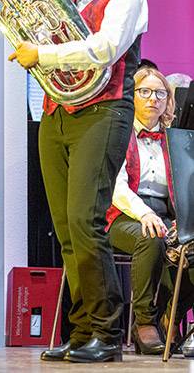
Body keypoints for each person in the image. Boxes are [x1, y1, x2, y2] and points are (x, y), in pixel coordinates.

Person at [11, 0, 147, 363]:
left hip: (104, 110)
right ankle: (83, 328)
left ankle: (107, 334)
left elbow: (105, 48)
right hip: (58, 112)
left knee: (88, 222)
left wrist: (43, 55)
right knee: (67, 228)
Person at [105, 66, 178, 355]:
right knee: (151, 236)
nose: (153, 99)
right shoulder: (119, 133)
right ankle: (145, 322)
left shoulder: (176, 140)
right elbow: (116, 187)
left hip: (168, 215)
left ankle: (169, 316)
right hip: (125, 214)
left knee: (190, 245)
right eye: (144, 92)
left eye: (160, 93)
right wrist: (145, 214)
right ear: (131, 96)